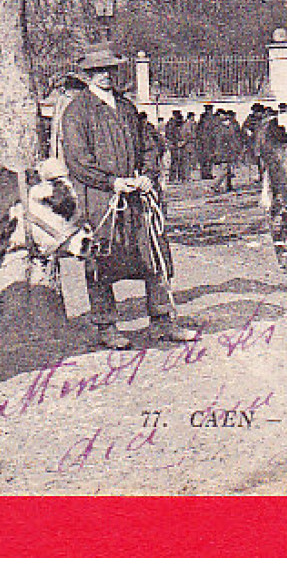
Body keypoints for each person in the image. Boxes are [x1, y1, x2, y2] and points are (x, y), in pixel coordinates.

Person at [57, 44, 198, 348]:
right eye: (98, 71)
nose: (105, 76)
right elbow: (78, 161)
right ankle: (105, 326)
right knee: (101, 260)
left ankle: (162, 321)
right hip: (99, 199)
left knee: (155, 253)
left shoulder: (126, 107)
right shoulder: (76, 112)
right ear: (88, 74)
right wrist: (112, 182)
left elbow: (148, 145)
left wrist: (147, 175)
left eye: (109, 70)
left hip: (138, 195)